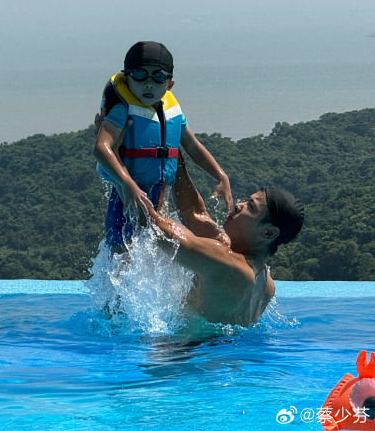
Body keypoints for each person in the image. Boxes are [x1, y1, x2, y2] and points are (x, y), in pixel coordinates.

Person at [93, 41, 232, 249]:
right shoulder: (123, 110)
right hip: (128, 193)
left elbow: (193, 147)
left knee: (158, 244)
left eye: (158, 77)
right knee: (122, 250)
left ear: (169, 84)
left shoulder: (172, 112)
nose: (149, 83)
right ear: (127, 77)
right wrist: (128, 185)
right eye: (140, 75)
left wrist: (221, 175)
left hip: (160, 191)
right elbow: (100, 147)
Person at [139, 157, 304, 326]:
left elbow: (160, 230)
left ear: (269, 232)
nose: (239, 205)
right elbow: (194, 213)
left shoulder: (230, 265)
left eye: (251, 207)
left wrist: (128, 185)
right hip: (222, 349)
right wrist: (175, 155)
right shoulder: (266, 285)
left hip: (189, 350)